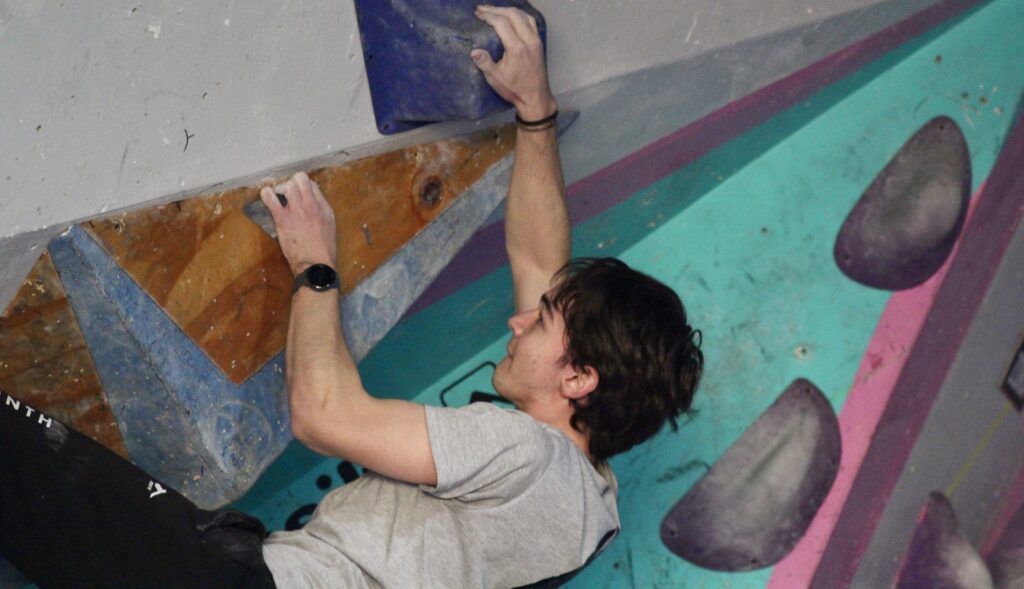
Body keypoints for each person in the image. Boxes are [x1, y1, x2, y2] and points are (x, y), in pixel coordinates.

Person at [0, 5, 701, 588]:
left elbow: (323, 415)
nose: (518, 322)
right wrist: (536, 114)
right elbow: (541, 261)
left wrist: (315, 268)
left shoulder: (523, 453)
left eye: (541, 322)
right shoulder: (590, 512)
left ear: (579, 378)